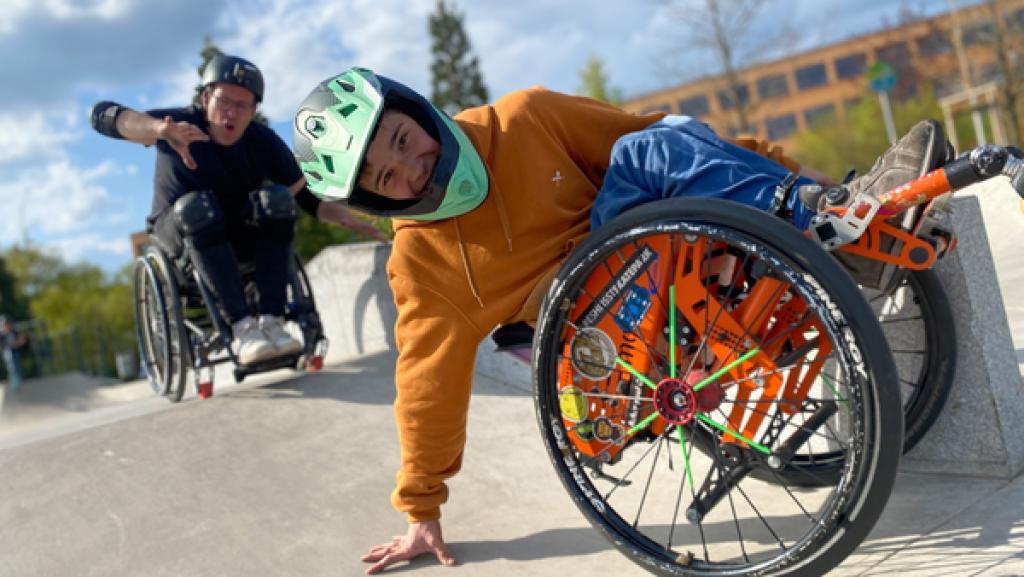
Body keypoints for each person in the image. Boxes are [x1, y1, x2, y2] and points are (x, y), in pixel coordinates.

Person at [291, 67, 940, 573]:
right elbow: (425, 386)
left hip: (650, 259)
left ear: (415, 110)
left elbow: (671, 139)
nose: (411, 168)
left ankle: (839, 225)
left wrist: (801, 182)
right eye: (386, 176)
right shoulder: (421, 264)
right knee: (652, 152)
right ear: (375, 197)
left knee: (652, 143)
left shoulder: (525, 118)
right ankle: (833, 229)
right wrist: (421, 506)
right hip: (598, 347)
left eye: (403, 140)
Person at [90, 55, 389, 377]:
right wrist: (158, 129)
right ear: (205, 98)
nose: (232, 113)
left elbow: (305, 197)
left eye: (243, 106)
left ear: (253, 110)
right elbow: (102, 115)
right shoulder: (176, 125)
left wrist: (352, 217)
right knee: (196, 207)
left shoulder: (261, 141)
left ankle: (272, 323)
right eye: (224, 101)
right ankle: (243, 328)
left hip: (239, 242)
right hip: (179, 244)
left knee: (277, 198)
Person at [0, 316, 27, 393]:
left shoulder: (13, 332)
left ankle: (16, 383)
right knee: (12, 368)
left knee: (17, 367)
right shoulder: (2, 334)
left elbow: (20, 341)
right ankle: (16, 385)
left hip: (15, 352)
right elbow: (3, 345)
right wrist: (13, 344)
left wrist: (20, 342)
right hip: (8, 353)